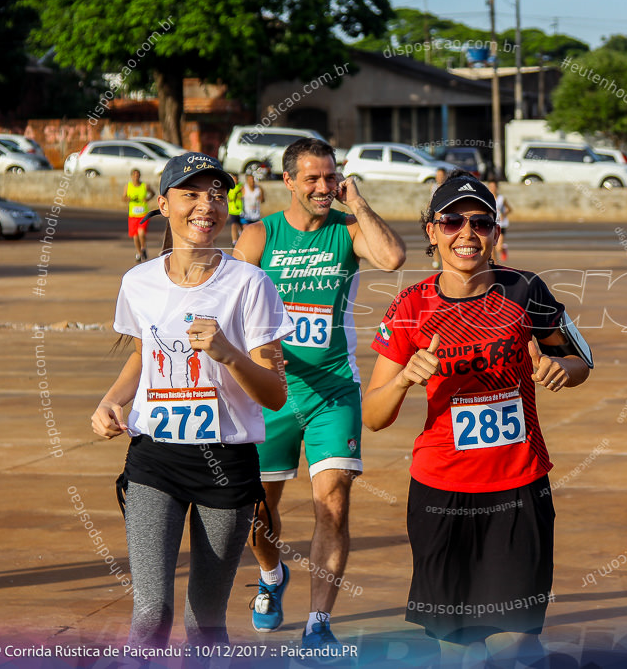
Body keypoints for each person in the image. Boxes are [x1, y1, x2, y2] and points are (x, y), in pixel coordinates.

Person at [361, 171, 591, 667]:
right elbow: (373, 416)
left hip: (519, 487)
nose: (466, 233)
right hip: (441, 491)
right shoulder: (410, 306)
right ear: (431, 231)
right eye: (451, 221)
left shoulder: (526, 289)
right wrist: (403, 379)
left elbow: (581, 362)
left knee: (519, 642)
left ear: (495, 231)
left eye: (481, 222)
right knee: (456, 646)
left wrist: (557, 369)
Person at [91, 152, 293, 647]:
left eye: (217, 195)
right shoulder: (138, 282)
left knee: (206, 622)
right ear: (163, 204)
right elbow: (143, 358)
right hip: (155, 458)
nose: (207, 205)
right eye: (191, 193)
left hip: (226, 465)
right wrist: (109, 402)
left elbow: (274, 394)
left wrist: (229, 354)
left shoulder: (251, 284)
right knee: (150, 615)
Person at [234, 138, 406, 645]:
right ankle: (270, 578)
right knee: (258, 511)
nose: (323, 187)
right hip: (271, 393)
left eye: (331, 177)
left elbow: (393, 258)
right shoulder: (259, 235)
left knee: (332, 503)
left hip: (334, 390)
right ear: (287, 181)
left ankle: (318, 623)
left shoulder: (347, 229)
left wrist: (357, 202)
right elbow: (230, 303)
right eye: (312, 178)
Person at [123, 169, 155, 263]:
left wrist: (148, 198)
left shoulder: (145, 186)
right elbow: (123, 197)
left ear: (140, 176)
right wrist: (128, 198)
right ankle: (139, 253)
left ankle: (143, 248)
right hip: (133, 215)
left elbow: (153, 193)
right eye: (134, 175)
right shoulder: (128, 186)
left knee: (141, 232)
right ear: (131, 176)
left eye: (137, 175)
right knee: (135, 236)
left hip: (143, 214)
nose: (136, 177)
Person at [487, 178, 512, 262]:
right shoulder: (487, 198)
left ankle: (503, 248)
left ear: (497, 187)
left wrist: (503, 214)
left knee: (498, 248)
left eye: (494, 186)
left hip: (501, 224)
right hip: (491, 223)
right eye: (491, 186)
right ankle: (495, 265)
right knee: (492, 247)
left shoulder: (501, 198)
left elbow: (509, 209)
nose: (492, 188)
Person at [431, 167, 447, 269]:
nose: (439, 177)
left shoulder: (447, 188)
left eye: (441, 175)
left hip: (445, 219)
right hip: (435, 217)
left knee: (444, 242)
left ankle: (445, 261)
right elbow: (431, 201)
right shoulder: (433, 187)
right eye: (438, 175)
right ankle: (436, 261)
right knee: (435, 240)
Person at [228, 174, 244, 245]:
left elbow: (244, 194)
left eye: (236, 179)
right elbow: (228, 198)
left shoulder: (241, 186)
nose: (235, 181)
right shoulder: (229, 187)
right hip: (233, 209)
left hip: (241, 209)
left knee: (241, 225)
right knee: (233, 225)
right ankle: (234, 241)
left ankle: (242, 236)